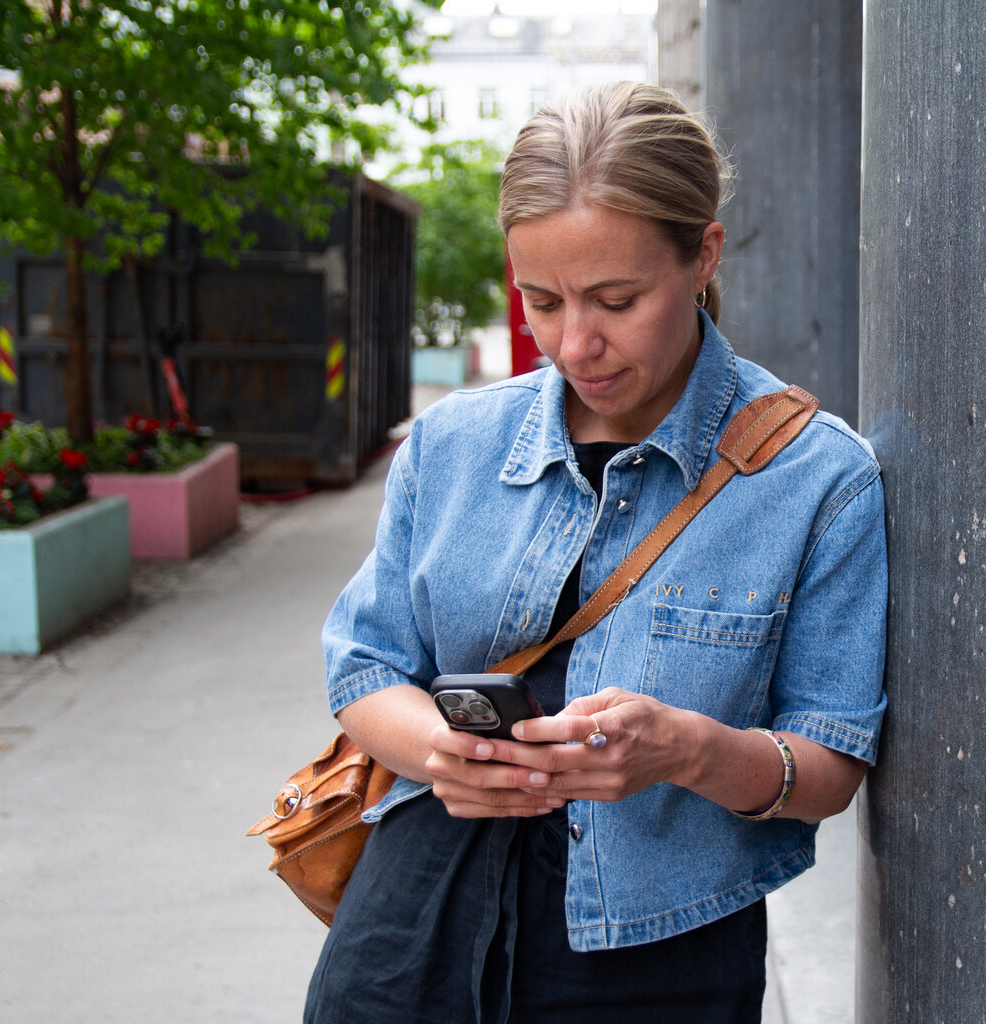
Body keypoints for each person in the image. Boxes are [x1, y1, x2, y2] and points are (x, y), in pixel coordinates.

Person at [304, 81, 887, 1023]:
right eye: (542, 300)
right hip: (408, 932)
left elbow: (828, 766)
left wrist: (692, 753)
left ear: (703, 254)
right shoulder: (451, 445)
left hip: (661, 959)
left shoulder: (819, 480)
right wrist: (443, 751)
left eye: (616, 300)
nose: (576, 344)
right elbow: (366, 666)